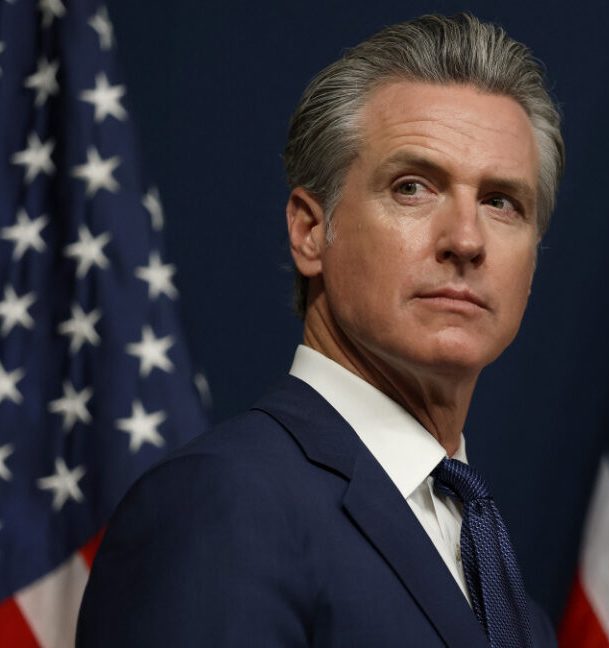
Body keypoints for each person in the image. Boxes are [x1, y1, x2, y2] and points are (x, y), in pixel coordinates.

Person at [77, 13, 564, 647]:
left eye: (502, 202)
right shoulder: (221, 506)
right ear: (311, 232)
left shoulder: (517, 608)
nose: (466, 240)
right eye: (413, 187)